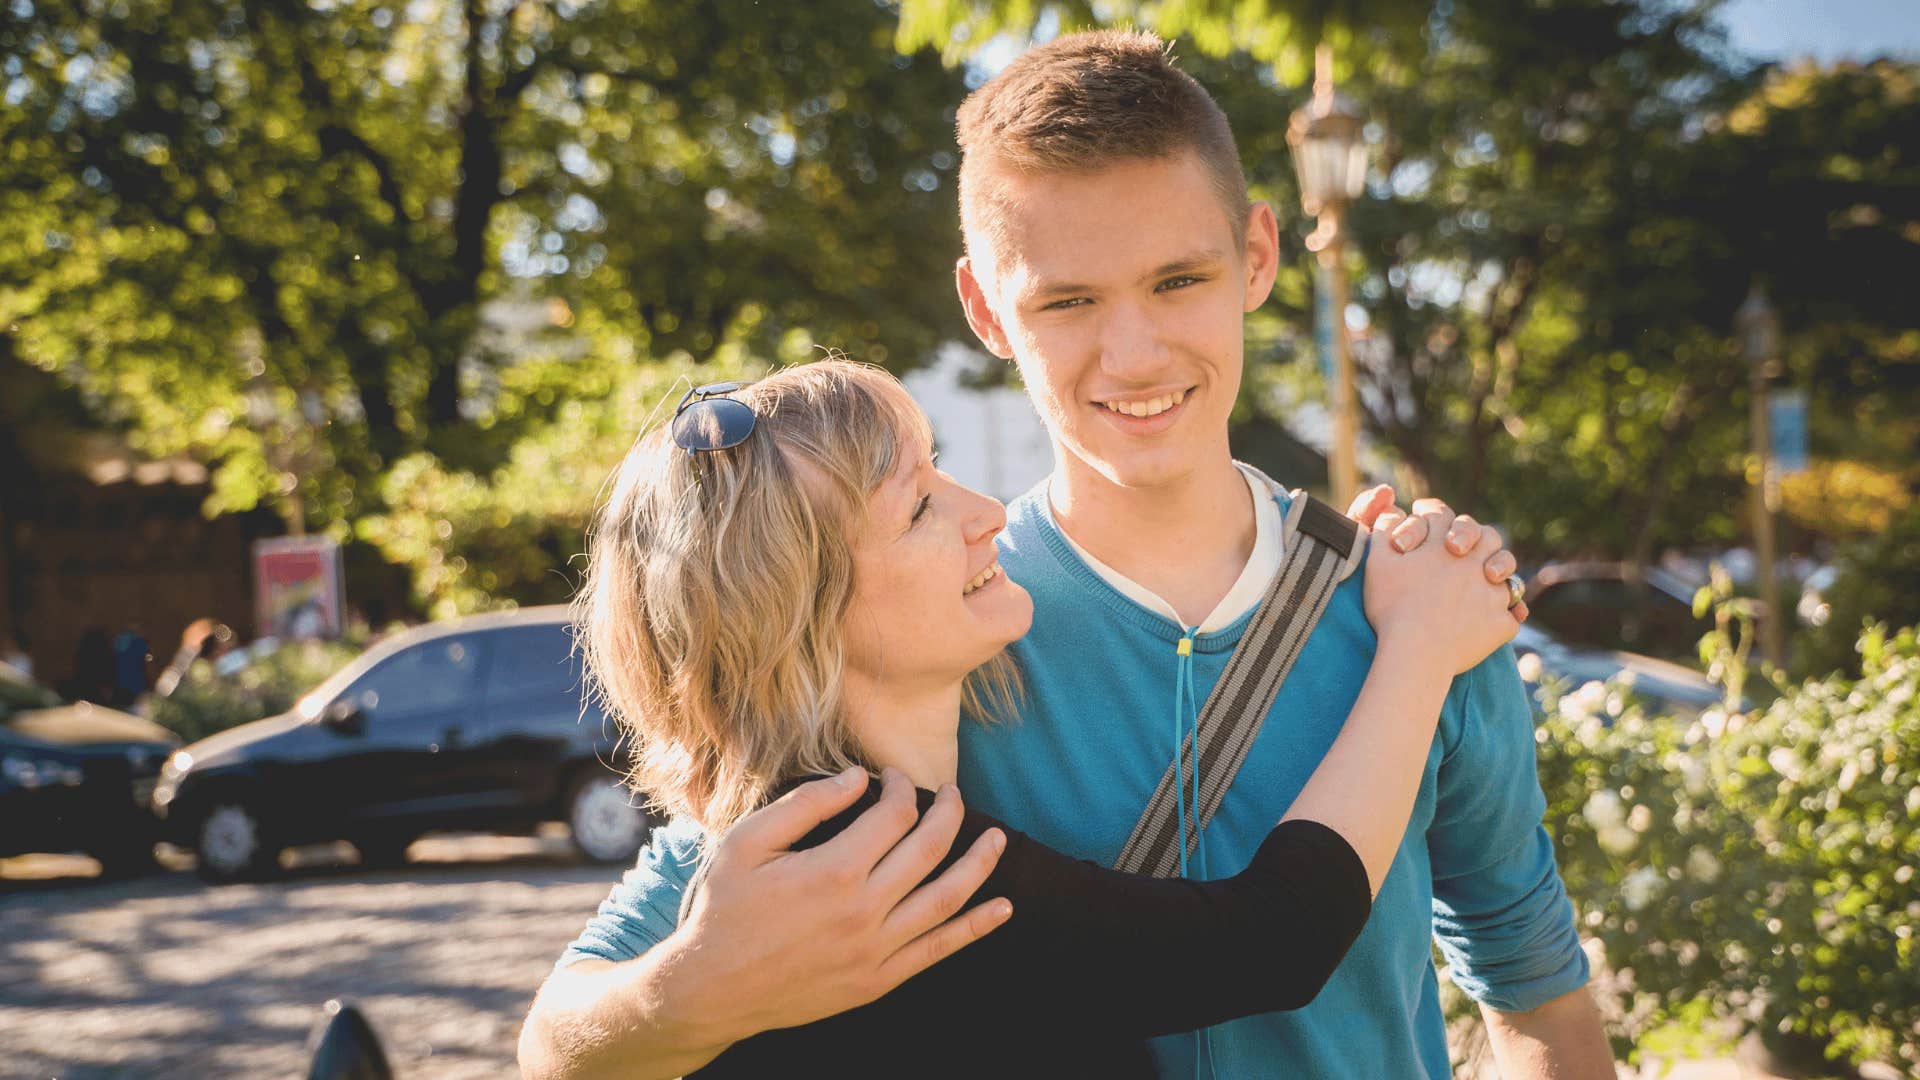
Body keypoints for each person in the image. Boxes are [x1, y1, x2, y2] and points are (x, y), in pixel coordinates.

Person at [523, 29, 1610, 1080]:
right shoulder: (923, 643)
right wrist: (688, 996)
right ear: (985, 309)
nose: (1133, 354)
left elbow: (1535, 992)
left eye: (1178, 280)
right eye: (1069, 301)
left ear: (1260, 255)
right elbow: (571, 1029)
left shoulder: (1413, 603)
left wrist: (1414, 640)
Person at [526, 359, 1522, 1077]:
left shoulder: (797, 831)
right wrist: (1419, 651)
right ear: (802, 621)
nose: (985, 510)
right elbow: (1273, 941)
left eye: (942, 465)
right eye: (918, 506)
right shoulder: (868, 860)